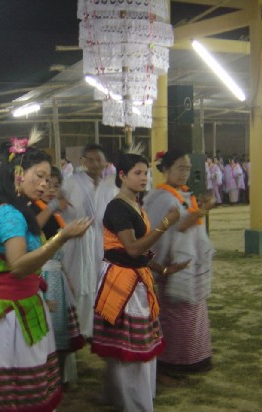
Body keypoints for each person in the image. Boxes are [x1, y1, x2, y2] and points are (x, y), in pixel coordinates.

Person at [0, 144, 91, 412]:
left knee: (25, 382)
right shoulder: (11, 214)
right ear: (18, 174)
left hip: (25, 303)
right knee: (16, 387)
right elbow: (19, 266)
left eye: (48, 178)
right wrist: (61, 238)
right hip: (12, 314)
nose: (45, 184)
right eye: (40, 176)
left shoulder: (21, 210)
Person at [92, 152, 183, 412]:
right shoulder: (118, 207)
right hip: (123, 285)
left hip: (132, 280)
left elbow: (136, 252)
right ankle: (136, 405)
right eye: (138, 173)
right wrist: (165, 224)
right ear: (122, 176)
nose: (144, 178)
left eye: (146, 173)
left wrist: (161, 268)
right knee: (133, 352)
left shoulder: (134, 203)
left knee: (125, 350)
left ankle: (119, 398)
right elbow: (132, 249)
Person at [143, 150, 215, 376]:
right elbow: (175, 228)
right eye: (180, 168)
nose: (185, 173)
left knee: (192, 312)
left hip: (188, 262)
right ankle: (174, 360)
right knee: (176, 314)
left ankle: (194, 356)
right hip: (173, 263)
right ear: (166, 170)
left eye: (187, 169)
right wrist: (202, 210)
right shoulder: (163, 198)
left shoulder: (182, 194)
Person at [31, 166, 85, 387]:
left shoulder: (53, 213)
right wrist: (54, 205)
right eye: (47, 185)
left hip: (56, 273)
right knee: (48, 330)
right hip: (41, 274)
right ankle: (47, 380)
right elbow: (35, 227)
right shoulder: (33, 209)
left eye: (56, 186)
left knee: (62, 332)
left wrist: (66, 275)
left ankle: (60, 378)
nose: (51, 190)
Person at [61, 143, 118, 338]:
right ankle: (78, 329)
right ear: (83, 162)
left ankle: (96, 328)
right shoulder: (70, 184)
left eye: (98, 160)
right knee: (78, 283)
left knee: (99, 283)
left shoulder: (110, 188)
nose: (95, 164)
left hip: (100, 242)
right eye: (90, 160)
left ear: (105, 162)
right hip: (75, 243)